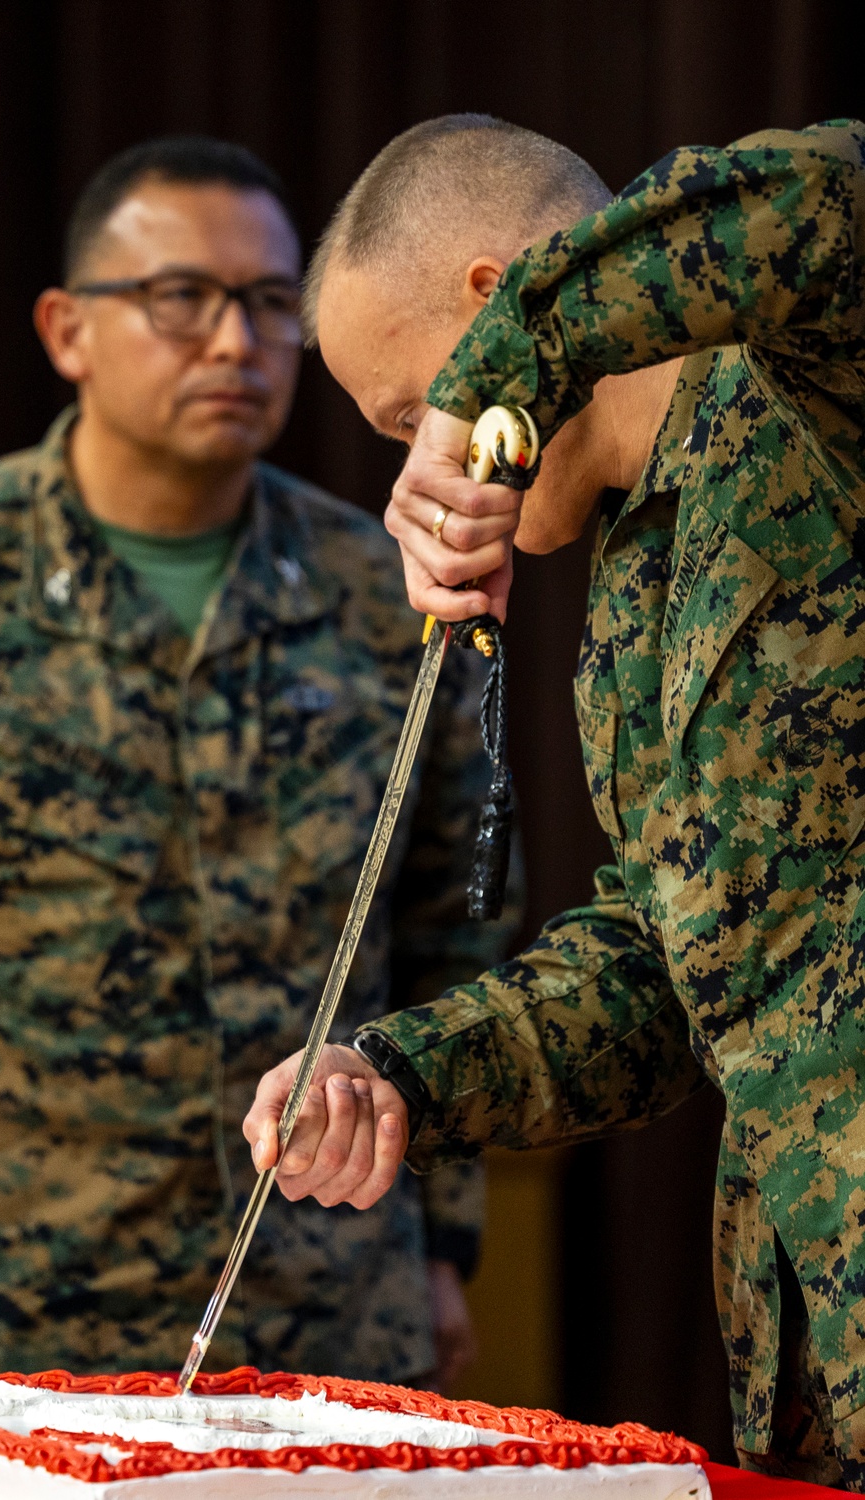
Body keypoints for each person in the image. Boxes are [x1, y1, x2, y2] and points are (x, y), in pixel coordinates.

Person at [244, 113, 865, 1487]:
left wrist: (497, 375)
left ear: (494, 300)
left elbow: (831, 191)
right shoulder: (635, 576)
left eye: (408, 415)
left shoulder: (807, 382)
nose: (415, 462)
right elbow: (666, 967)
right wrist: (398, 1075)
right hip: (817, 1347)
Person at [0, 135, 519, 1384]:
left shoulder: (393, 590)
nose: (235, 343)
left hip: (329, 1296)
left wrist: (443, 1239)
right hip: (11, 1302)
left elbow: (456, 929)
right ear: (67, 331)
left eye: (270, 303)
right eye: (181, 298)